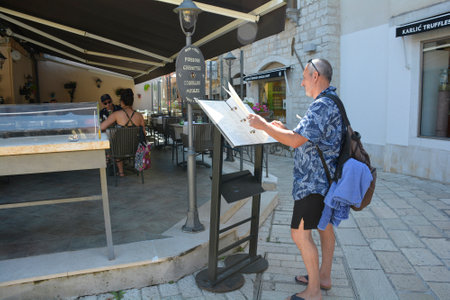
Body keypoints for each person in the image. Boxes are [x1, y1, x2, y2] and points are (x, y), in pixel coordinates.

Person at [248, 58, 343, 300]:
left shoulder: (322, 105)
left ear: (315, 76)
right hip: (326, 181)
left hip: (313, 183)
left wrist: (263, 126)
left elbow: (295, 140)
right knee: (324, 226)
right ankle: (323, 277)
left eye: (303, 77)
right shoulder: (332, 101)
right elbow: (306, 136)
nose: (301, 83)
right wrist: (283, 128)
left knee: (299, 234)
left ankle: (313, 292)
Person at [101, 89, 145, 177]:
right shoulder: (139, 116)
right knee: (119, 144)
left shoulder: (116, 114)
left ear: (122, 102)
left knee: (114, 144)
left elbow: (101, 127)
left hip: (119, 150)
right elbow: (144, 134)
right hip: (135, 149)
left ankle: (121, 172)